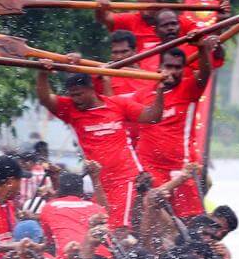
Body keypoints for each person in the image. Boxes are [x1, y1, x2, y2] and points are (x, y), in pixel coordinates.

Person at [35, 69, 166, 229]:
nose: (76, 100)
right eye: (72, 95)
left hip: (126, 178)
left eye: (79, 94)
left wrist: (160, 91)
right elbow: (45, 99)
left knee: (119, 229)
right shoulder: (70, 109)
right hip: (99, 183)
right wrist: (43, 73)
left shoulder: (118, 104)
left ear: (91, 89)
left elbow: (153, 116)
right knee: (100, 227)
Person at [133, 38, 221, 217]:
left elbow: (205, 74)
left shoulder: (189, 88)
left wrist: (202, 49)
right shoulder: (141, 95)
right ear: (159, 68)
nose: (173, 71)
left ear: (183, 69)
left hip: (180, 168)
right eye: (168, 66)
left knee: (191, 221)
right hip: (149, 168)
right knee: (153, 216)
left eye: (177, 67)